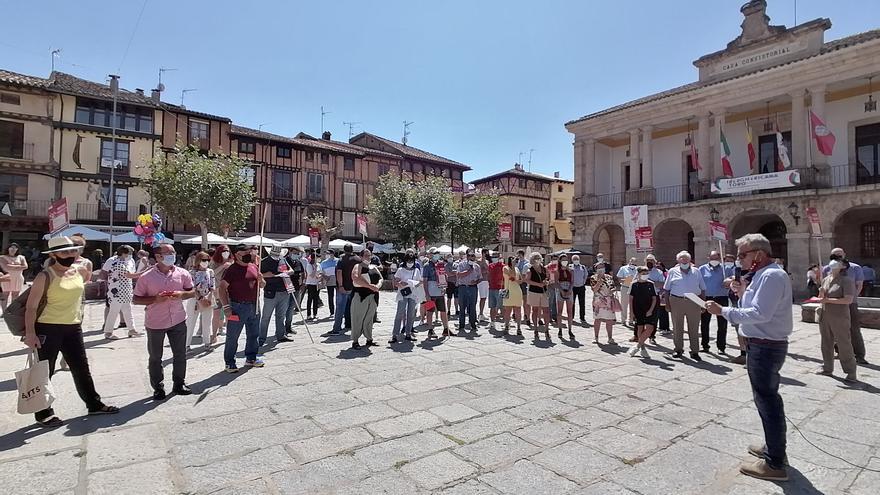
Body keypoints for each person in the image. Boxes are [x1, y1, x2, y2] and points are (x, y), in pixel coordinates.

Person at [706, 233, 792, 482]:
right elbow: (753, 305)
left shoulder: (772, 275)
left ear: (758, 254)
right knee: (765, 400)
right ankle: (773, 448)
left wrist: (723, 310)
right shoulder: (760, 276)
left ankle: (775, 463)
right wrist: (742, 291)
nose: (739, 260)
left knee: (768, 401)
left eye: (743, 255)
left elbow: (760, 313)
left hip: (766, 346)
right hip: (759, 344)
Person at [23, 237, 119, 427]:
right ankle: (44, 413)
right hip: (48, 328)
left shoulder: (79, 271)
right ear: (53, 255)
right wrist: (31, 334)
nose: (70, 255)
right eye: (65, 252)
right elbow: (31, 308)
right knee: (45, 372)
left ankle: (94, 404)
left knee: (82, 368)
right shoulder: (45, 276)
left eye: (73, 251)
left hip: (73, 328)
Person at [132, 244, 195, 400]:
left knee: (180, 354)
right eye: (168, 253)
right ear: (158, 256)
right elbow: (136, 299)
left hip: (178, 319)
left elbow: (192, 291)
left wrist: (182, 294)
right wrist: (155, 299)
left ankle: (179, 383)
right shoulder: (146, 277)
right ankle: (158, 387)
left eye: (173, 252)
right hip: (155, 322)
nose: (172, 255)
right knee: (155, 357)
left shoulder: (182, 273)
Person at [218, 245, 265, 372]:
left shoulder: (254, 266)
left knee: (254, 334)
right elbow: (221, 288)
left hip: (254, 305)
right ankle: (229, 362)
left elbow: (262, 284)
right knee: (233, 336)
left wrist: (261, 281)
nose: (248, 253)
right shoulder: (231, 270)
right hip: (238, 306)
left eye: (249, 251)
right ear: (237, 255)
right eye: (245, 252)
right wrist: (226, 307)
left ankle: (251, 358)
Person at [816, 259, 858, 383]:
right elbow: (822, 298)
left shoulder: (847, 281)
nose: (833, 262)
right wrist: (821, 293)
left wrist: (828, 300)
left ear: (843, 266)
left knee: (844, 343)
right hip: (825, 315)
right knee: (826, 343)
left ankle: (851, 371)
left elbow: (848, 300)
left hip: (840, 317)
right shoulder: (826, 279)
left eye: (837, 261)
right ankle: (827, 368)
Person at [823, 248, 867, 364]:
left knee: (854, 329)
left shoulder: (855, 268)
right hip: (832, 304)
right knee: (835, 330)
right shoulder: (827, 268)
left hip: (850, 303)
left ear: (844, 255)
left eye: (839, 255)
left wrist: (851, 299)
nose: (837, 257)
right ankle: (840, 352)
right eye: (834, 255)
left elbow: (859, 285)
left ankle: (859, 355)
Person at [664, 251, 706, 361]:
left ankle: (695, 351)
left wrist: (703, 304)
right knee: (677, 326)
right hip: (676, 300)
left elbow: (702, 289)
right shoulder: (672, 272)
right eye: (682, 259)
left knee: (694, 327)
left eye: (686, 259)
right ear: (678, 260)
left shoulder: (696, 272)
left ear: (689, 260)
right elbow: (667, 289)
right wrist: (667, 304)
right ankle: (678, 349)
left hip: (694, 301)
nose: (684, 261)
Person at [102, 245, 141, 339]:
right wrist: (144, 272)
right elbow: (129, 275)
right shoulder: (117, 263)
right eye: (129, 253)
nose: (131, 255)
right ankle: (108, 332)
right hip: (116, 292)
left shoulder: (127, 262)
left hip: (126, 290)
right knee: (113, 312)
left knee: (128, 310)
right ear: (124, 253)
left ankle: (131, 329)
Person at [259, 245, 293, 346]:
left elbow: (291, 270)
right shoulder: (264, 261)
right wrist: (267, 275)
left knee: (281, 315)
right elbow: (258, 274)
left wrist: (287, 272)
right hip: (271, 292)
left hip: (284, 290)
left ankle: (280, 335)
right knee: (266, 316)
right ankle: (261, 338)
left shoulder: (282, 260)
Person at [350, 249, 382, 349]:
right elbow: (355, 278)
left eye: (369, 255)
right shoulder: (358, 266)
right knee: (358, 318)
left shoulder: (373, 267)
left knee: (369, 318)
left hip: (373, 296)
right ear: (361, 257)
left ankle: (369, 338)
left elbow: (381, 278)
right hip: (361, 295)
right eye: (366, 255)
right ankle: (355, 341)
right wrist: (369, 286)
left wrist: (377, 286)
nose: (368, 257)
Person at [699, 250, 730, 354]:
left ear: (720, 258)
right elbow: (699, 283)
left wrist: (729, 281)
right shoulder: (702, 269)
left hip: (721, 297)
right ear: (708, 258)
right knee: (704, 323)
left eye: (716, 258)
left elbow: (734, 279)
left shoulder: (725, 269)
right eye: (712, 258)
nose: (714, 260)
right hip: (707, 297)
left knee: (722, 324)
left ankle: (721, 346)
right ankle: (705, 345)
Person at [185, 251, 216, 350]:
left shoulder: (210, 271)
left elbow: (212, 286)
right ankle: (186, 345)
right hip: (194, 300)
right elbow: (191, 287)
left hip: (208, 298)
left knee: (207, 322)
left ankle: (207, 343)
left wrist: (209, 297)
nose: (206, 262)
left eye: (208, 260)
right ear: (198, 260)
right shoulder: (191, 272)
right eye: (203, 260)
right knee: (191, 323)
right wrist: (200, 299)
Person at [391, 252, 421, 343]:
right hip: (403, 293)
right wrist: (400, 284)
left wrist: (415, 283)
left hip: (413, 293)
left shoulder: (416, 270)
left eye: (411, 261)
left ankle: (408, 333)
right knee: (400, 313)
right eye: (408, 260)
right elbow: (395, 282)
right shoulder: (400, 270)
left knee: (411, 314)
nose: (410, 262)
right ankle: (395, 334)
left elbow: (419, 282)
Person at [628, 266, 657, 359]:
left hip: (649, 309)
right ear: (639, 274)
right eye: (643, 274)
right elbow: (631, 299)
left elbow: (654, 298)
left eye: (646, 274)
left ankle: (637, 346)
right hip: (638, 309)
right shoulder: (633, 284)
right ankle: (642, 348)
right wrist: (631, 313)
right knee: (640, 327)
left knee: (650, 328)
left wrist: (651, 310)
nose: (645, 275)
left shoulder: (651, 284)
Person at [332, 244, 360, 335]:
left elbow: (339, 273)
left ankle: (336, 328)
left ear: (344, 250)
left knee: (340, 308)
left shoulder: (341, 259)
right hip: (355, 287)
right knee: (352, 307)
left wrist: (340, 286)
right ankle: (350, 325)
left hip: (344, 287)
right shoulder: (358, 259)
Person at [422, 249, 451, 338]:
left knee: (443, 311)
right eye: (435, 254)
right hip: (431, 291)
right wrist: (426, 293)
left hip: (440, 291)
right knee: (430, 311)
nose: (436, 255)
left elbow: (444, 276)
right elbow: (425, 280)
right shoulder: (427, 266)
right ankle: (430, 329)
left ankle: (446, 329)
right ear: (430, 255)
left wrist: (444, 285)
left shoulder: (441, 265)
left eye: (438, 254)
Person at [590, 261, 618, 344]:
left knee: (609, 319)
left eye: (602, 267)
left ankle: (610, 338)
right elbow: (594, 289)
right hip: (598, 300)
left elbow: (613, 287)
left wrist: (611, 291)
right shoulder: (593, 277)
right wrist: (599, 282)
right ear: (596, 269)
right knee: (597, 319)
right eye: (599, 267)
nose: (601, 269)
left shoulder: (609, 277)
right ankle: (596, 337)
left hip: (608, 300)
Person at [525, 253, 550, 340]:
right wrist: (538, 284)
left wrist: (547, 282)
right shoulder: (530, 270)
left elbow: (548, 278)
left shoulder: (544, 269)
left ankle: (546, 329)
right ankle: (535, 329)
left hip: (544, 292)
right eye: (535, 258)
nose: (537, 260)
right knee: (535, 310)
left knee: (546, 310)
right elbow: (527, 280)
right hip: (534, 292)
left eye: (538, 258)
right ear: (532, 260)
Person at [211, 245, 233, 337]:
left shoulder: (232, 262)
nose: (226, 253)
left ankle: (229, 333)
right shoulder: (214, 262)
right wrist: (223, 266)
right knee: (216, 313)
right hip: (217, 292)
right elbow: (212, 273)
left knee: (229, 313)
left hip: (229, 291)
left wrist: (230, 265)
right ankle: (214, 335)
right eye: (224, 251)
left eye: (227, 251)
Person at [457, 250, 481, 332]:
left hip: (473, 288)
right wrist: (469, 271)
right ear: (467, 257)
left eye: (473, 256)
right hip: (463, 287)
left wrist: (476, 281)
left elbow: (480, 278)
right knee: (462, 306)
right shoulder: (461, 264)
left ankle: (473, 324)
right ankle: (461, 325)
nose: (472, 257)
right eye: (470, 256)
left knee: (472, 306)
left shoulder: (477, 266)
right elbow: (459, 275)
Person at [283, 247, 305, 333]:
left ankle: (288, 326)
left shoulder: (298, 262)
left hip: (296, 287)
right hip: (287, 287)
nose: (296, 255)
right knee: (285, 308)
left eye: (298, 253)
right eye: (295, 252)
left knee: (291, 307)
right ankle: (282, 328)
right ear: (290, 251)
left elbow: (303, 272)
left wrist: (303, 282)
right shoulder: (285, 261)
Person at [645, 255, 666, 343]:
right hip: (642, 296)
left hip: (654, 296)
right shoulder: (641, 271)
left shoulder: (658, 272)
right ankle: (640, 334)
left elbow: (662, 284)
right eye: (648, 260)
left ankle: (652, 336)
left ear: (654, 262)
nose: (649, 262)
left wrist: (651, 282)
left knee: (654, 316)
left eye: (651, 260)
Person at [0, 242, 27, 312]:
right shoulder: (2, 257)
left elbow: (25, 266)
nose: (13, 249)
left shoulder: (21, 257)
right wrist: (19, 266)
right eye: (11, 247)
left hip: (18, 278)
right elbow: (5, 266)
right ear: (8, 249)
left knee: (15, 295)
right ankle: (4, 311)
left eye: (15, 248)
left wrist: (11, 266)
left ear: (17, 249)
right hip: (6, 277)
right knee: (5, 295)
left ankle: (12, 311)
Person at [555, 254, 575, 339]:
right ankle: (560, 329)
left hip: (569, 289)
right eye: (563, 260)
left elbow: (573, 281)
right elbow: (556, 282)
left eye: (566, 259)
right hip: (560, 289)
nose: (565, 261)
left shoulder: (571, 270)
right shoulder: (557, 270)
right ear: (560, 261)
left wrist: (570, 289)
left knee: (570, 311)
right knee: (559, 311)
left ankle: (570, 329)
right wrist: (562, 290)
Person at [502, 256, 523, 336]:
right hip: (508, 291)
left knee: (518, 310)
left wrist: (518, 280)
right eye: (514, 259)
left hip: (517, 291)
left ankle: (519, 328)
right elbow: (512, 275)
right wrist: (513, 266)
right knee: (508, 310)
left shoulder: (517, 269)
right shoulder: (505, 268)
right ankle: (507, 326)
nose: (516, 261)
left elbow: (521, 280)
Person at [617, 257, 638, 329]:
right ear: (629, 262)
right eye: (632, 262)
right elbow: (619, 279)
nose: (633, 264)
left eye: (634, 263)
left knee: (633, 305)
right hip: (625, 287)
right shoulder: (623, 268)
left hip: (634, 289)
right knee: (624, 304)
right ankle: (623, 320)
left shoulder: (637, 269)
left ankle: (631, 320)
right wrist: (627, 280)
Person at [486, 253, 505, 331]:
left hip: (501, 289)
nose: (494, 258)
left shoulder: (503, 266)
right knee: (492, 306)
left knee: (503, 307)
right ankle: (492, 322)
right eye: (493, 257)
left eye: (495, 257)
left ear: (499, 258)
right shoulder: (490, 266)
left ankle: (505, 322)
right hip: (491, 288)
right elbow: (488, 275)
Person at [571, 255, 589, 325]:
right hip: (573, 287)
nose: (576, 260)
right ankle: (571, 317)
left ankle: (582, 317)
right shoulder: (570, 267)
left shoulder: (583, 267)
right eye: (574, 259)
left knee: (582, 303)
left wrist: (583, 282)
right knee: (572, 303)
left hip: (581, 287)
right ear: (572, 260)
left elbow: (586, 275)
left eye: (577, 259)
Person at [303, 250, 322, 320]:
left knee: (316, 299)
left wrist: (320, 276)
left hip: (317, 283)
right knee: (310, 299)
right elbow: (311, 275)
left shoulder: (319, 265)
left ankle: (315, 314)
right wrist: (315, 268)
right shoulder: (309, 265)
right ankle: (308, 315)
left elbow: (320, 272)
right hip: (311, 284)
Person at [515, 249, 531, 324]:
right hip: (517, 282)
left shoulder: (526, 263)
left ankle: (525, 314)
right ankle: (515, 313)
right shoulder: (516, 262)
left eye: (518, 254)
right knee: (517, 299)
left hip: (524, 283)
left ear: (521, 254)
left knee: (525, 300)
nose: (517, 256)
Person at [321, 250, 338, 316]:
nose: (327, 255)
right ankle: (332, 312)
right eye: (326, 253)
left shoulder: (338, 261)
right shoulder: (324, 262)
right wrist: (324, 278)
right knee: (330, 296)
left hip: (337, 280)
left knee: (338, 297)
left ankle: (338, 310)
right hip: (329, 280)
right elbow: (321, 271)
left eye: (328, 253)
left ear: (333, 254)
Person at [477, 249, 491, 322]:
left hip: (486, 281)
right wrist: (485, 271)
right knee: (482, 298)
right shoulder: (479, 261)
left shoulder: (487, 261)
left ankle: (481, 313)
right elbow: (479, 271)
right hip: (481, 281)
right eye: (486, 253)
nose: (487, 255)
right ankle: (480, 314)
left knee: (484, 298)